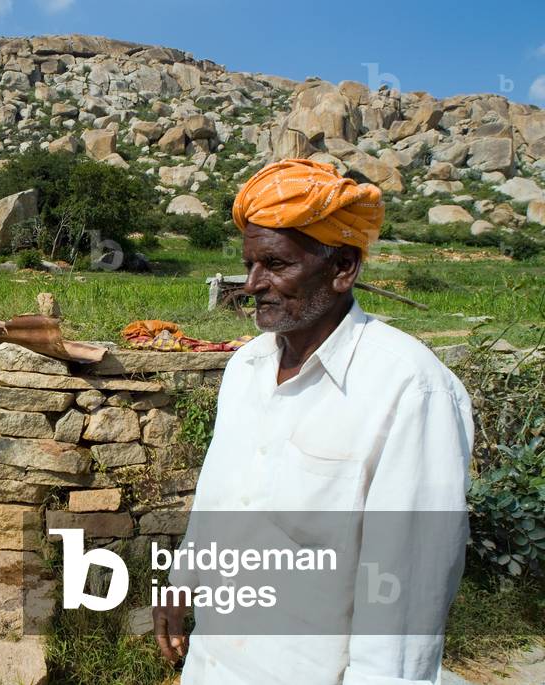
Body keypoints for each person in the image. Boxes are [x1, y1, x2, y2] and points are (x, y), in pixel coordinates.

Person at [153, 159, 473, 685]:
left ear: (342, 266)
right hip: (214, 664)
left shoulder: (410, 389)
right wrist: (181, 583)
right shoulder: (246, 368)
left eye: (276, 264)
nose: (253, 284)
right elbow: (220, 499)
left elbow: (406, 589)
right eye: (250, 264)